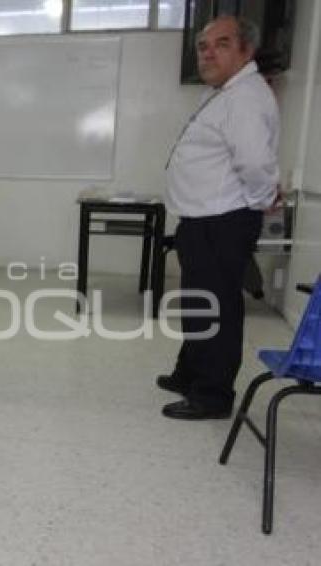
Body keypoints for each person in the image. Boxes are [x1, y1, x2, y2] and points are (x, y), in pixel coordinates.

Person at [158, 15, 279, 420]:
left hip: (221, 222)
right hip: (205, 221)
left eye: (221, 44)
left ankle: (212, 395)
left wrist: (261, 201)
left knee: (215, 309)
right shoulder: (227, 93)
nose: (208, 53)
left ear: (245, 50)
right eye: (203, 45)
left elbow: (257, 165)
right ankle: (189, 374)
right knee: (199, 304)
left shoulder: (244, 97)